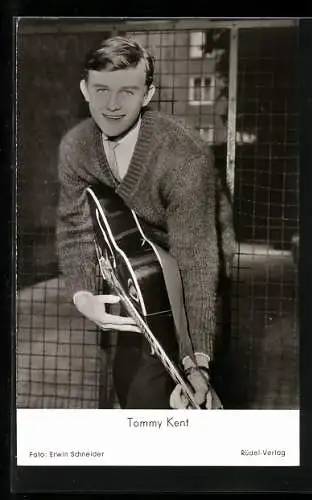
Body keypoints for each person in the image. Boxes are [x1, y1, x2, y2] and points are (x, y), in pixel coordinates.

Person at [56, 35, 234, 409]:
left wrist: (197, 359)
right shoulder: (76, 147)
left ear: (148, 94)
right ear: (85, 88)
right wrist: (83, 293)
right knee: (131, 381)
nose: (112, 105)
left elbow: (198, 260)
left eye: (128, 91)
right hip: (137, 264)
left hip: (193, 267)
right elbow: (74, 226)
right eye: (101, 88)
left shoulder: (184, 157)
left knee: (176, 397)